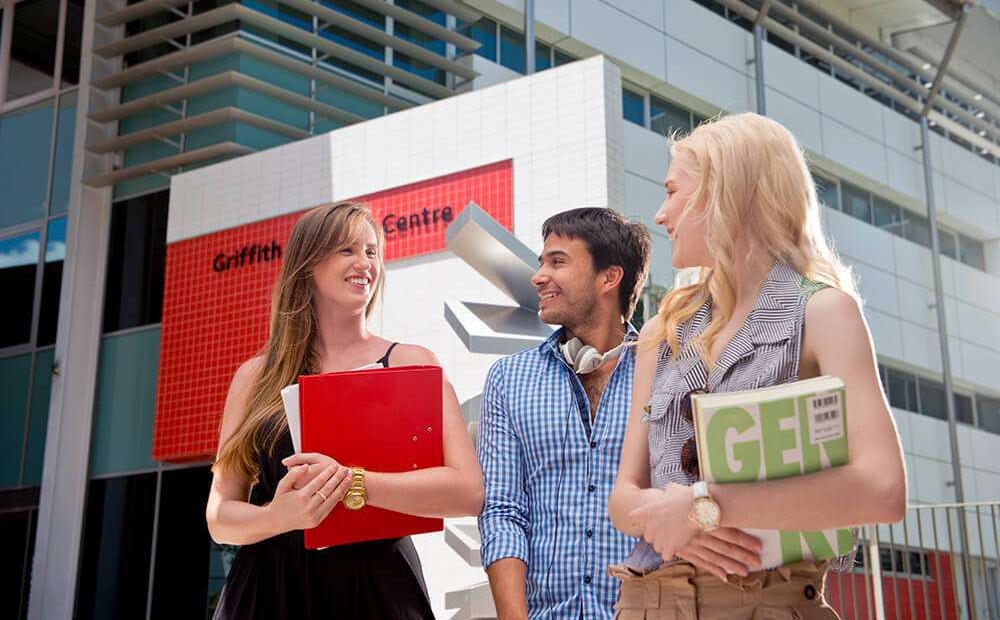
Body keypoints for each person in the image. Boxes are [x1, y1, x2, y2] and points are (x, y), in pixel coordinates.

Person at [607, 112, 907, 619]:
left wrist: (705, 507)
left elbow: (884, 490)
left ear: (726, 193)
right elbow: (623, 497)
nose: (660, 215)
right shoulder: (663, 329)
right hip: (646, 602)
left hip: (766, 603)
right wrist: (678, 528)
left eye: (674, 192)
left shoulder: (824, 312)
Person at [206, 201, 484, 620]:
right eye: (347, 250)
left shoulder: (411, 362)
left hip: (377, 585)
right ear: (307, 265)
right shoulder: (254, 377)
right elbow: (220, 515)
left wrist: (354, 483)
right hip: (269, 588)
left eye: (372, 252)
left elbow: (467, 491)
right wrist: (278, 516)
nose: (365, 263)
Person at [477, 207, 652, 619]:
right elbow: (503, 510)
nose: (539, 276)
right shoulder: (508, 378)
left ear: (609, 277)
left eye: (557, 261)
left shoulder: (667, 371)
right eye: (541, 263)